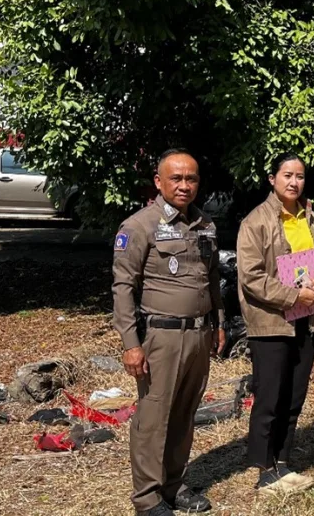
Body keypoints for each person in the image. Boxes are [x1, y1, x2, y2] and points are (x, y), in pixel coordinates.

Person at [112, 149, 226, 516]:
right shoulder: (139, 226)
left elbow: (211, 278)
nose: (184, 185)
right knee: (153, 418)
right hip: (162, 336)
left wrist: (218, 323)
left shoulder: (205, 224)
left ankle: (173, 485)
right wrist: (131, 344)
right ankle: (147, 498)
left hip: (199, 334)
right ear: (159, 182)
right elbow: (123, 288)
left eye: (191, 178)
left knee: (184, 414)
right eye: (176, 178)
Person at [236, 152, 314, 496]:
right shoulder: (256, 221)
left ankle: (283, 461)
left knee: (294, 395)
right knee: (270, 396)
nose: (294, 182)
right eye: (287, 175)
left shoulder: (312, 218)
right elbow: (251, 277)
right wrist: (294, 296)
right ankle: (264, 470)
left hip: (306, 320)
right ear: (272, 179)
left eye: (300, 176)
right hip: (272, 323)